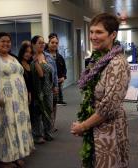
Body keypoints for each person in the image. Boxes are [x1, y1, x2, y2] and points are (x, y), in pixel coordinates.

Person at [71, 13, 130, 168]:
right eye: (91, 32)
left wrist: (83, 126)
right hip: (95, 125)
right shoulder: (97, 59)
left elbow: (109, 107)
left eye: (99, 32)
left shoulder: (117, 63)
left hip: (109, 130)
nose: (93, 36)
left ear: (113, 35)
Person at [0, 32, 34, 168]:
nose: (6, 44)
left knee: (19, 126)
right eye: (2, 41)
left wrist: (29, 92)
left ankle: (17, 154)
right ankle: (5, 159)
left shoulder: (13, 57)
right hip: (4, 100)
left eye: (8, 41)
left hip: (20, 100)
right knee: (6, 127)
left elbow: (23, 75)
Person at [30, 35, 58, 143]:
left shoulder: (48, 56)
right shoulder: (30, 57)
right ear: (33, 44)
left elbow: (54, 72)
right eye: (39, 43)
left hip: (48, 89)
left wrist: (55, 85)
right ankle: (37, 135)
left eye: (43, 42)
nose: (42, 44)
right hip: (36, 89)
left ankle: (48, 132)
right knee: (37, 112)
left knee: (48, 111)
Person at [46, 33, 67, 106]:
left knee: (56, 105)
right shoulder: (44, 56)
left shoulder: (59, 57)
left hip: (58, 82)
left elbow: (64, 68)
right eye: (52, 42)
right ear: (48, 43)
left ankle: (60, 100)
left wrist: (63, 77)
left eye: (56, 43)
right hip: (48, 83)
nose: (54, 44)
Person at [18, 41, 34, 125]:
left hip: (31, 93)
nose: (28, 54)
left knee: (31, 116)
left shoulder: (30, 64)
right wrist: (28, 93)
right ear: (22, 52)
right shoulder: (17, 64)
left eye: (30, 52)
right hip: (23, 94)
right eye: (26, 52)